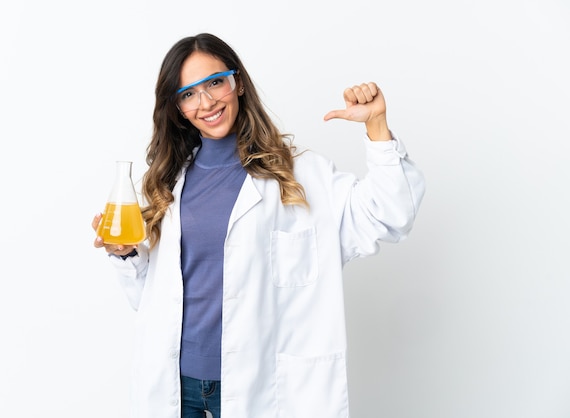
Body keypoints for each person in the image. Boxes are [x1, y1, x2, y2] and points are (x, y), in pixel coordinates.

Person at [92, 33, 425, 418]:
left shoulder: (302, 176)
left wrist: (378, 128)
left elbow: (391, 215)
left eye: (215, 83)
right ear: (177, 108)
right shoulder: (165, 183)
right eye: (188, 94)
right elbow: (151, 299)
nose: (207, 102)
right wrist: (128, 253)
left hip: (263, 388)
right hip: (174, 386)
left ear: (239, 84)